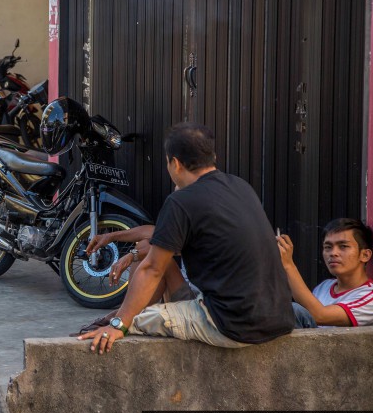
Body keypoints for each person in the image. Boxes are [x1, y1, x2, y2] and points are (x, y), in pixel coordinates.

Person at [79, 122, 294, 353]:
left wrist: (118, 324)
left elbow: (152, 269)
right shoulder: (241, 186)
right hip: (280, 318)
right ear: (213, 156)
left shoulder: (181, 201)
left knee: (137, 319)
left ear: (176, 164)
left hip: (233, 325)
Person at [277, 218, 373, 327]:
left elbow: (319, 316)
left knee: (294, 310)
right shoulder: (324, 287)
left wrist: (288, 265)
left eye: (343, 246)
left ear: (365, 255)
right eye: (328, 247)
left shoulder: (370, 296)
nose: (333, 253)